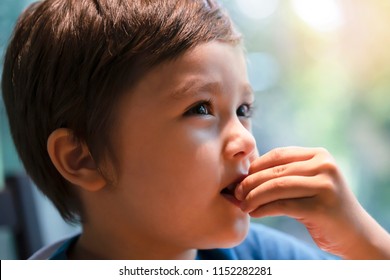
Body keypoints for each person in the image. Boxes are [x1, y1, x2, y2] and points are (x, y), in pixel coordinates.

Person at [2, 0, 390, 260]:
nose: (246, 140)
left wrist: (364, 242)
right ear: (83, 157)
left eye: (243, 109)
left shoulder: (264, 257)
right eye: (200, 109)